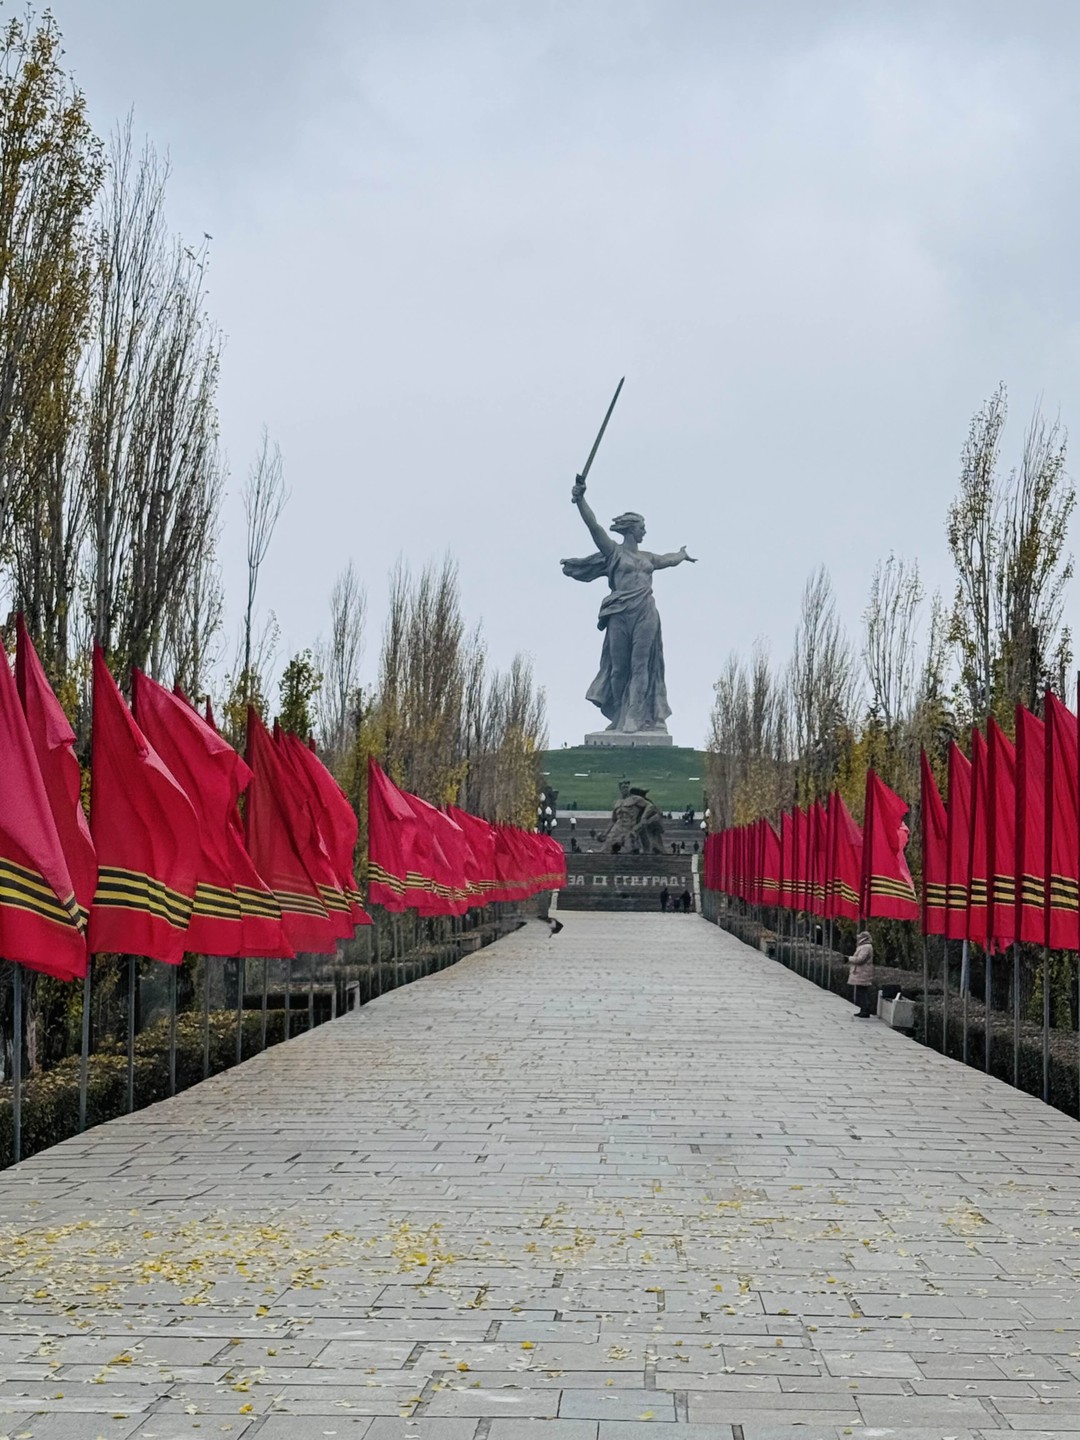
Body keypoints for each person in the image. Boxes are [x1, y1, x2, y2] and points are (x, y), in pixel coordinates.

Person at [561, 480, 696, 735]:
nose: (645, 531)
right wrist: (580, 500)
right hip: (619, 613)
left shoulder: (648, 558)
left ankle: (634, 716)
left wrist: (681, 554)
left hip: (645, 611)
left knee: (640, 665)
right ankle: (619, 714)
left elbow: (668, 560)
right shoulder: (614, 552)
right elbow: (594, 526)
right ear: (632, 529)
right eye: (642, 527)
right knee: (618, 668)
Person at [848, 930, 874, 1017]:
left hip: (862, 972)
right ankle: (863, 1009)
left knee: (862, 992)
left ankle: (865, 1010)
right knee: (860, 991)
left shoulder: (866, 947)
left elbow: (860, 959)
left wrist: (849, 959)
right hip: (861, 972)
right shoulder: (864, 946)